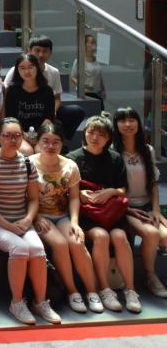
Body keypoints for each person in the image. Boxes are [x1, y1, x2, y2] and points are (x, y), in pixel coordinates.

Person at [0, 119, 61, 325]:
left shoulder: (26, 163)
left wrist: (27, 219)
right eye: (7, 135)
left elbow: (33, 199)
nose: (13, 140)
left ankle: (40, 302)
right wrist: (8, 225)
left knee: (38, 250)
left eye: (17, 136)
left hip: (22, 221)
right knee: (20, 248)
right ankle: (16, 302)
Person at [29, 121, 105, 314]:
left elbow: (74, 198)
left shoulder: (70, 166)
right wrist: (36, 217)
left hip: (62, 215)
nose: (50, 146)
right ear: (38, 142)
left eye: (56, 142)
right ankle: (72, 292)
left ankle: (92, 292)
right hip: (40, 216)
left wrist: (74, 222)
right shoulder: (29, 164)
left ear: (62, 143)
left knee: (77, 242)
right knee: (60, 245)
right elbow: (24, 197)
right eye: (45, 141)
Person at [66, 115, 136, 312]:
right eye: (91, 132)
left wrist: (111, 191)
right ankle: (104, 289)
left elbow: (123, 189)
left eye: (101, 134)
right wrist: (79, 194)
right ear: (84, 134)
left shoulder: (115, 158)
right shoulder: (72, 159)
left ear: (108, 138)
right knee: (101, 236)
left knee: (120, 236)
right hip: (87, 215)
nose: (95, 137)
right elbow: (64, 191)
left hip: (111, 212)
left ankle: (130, 290)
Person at [112, 107, 167, 300]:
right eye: (122, 120)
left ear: (138, 123)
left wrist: (156, 210)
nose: (128, 124)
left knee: (165, 237)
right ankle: (151, 276)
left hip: (147, 206)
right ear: (116, 125)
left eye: (132, 120)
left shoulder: (148, 150)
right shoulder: (113, 152)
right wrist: (127, 209)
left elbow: (153, 183)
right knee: (152, 234)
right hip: (124, 208)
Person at [4, 36, 86, 139]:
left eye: (45, 51)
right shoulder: (16, 72)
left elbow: (57, 98)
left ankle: (60, 141)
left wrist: (51, 113)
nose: (41, 55)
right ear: (29, 51)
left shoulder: (53, 73)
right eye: (37, 51)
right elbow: (8, 98)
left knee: (75, 111)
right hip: (22, 112)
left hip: (44, 109)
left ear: (50, 53)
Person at [5, 53, 55, 151]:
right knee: (26, 151)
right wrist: (24, 134)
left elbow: (49, 117)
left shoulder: (47, 90)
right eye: (22, 68)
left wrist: (39, 134)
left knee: (41, 150)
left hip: (41, 132)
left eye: (30, 67)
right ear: (17, 70)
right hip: (18, 132)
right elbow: (11, 117)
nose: (27, 71)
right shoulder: (12, 90)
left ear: (37, 68)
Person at [71, 34, 106, 105]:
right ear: (85, 45)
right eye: (92, 42)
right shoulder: (79, 60)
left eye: (95, 42)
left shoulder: (98, 60)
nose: (94, 45)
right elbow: (73, 78)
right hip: (85, 94)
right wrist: (83, 85)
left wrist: (103, 90)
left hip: (98, 94)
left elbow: (99, 77)